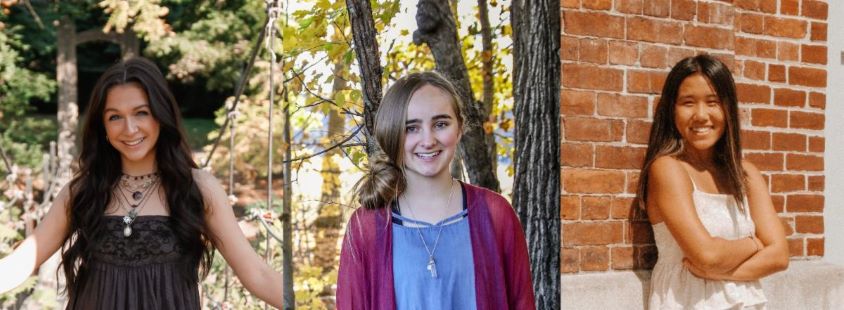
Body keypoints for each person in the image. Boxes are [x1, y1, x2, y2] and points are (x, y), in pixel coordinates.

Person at [0, 57, 283, 309]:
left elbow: (256, 273)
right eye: (115, 117)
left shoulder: (197, 188)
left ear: (161, 115)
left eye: (141, 113)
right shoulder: (82, 191)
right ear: (104, 128)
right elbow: (22, 261)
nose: (130, 129)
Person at [336, 72, 534, 309]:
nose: (428, 140)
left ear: (459, 128)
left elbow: (522, 302)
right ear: (392, 134)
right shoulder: (366, 227)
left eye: (440, 124)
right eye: (411, 128)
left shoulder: (495, 214)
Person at [637, 55, 789, 309]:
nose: (701, 115)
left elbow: (780, 256)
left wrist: (723, 273)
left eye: (713, 102)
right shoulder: (668, 169)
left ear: (728, 109)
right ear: (671, 109)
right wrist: (755, 243)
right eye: (687, 103)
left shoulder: (746, 175)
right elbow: (706, 255)